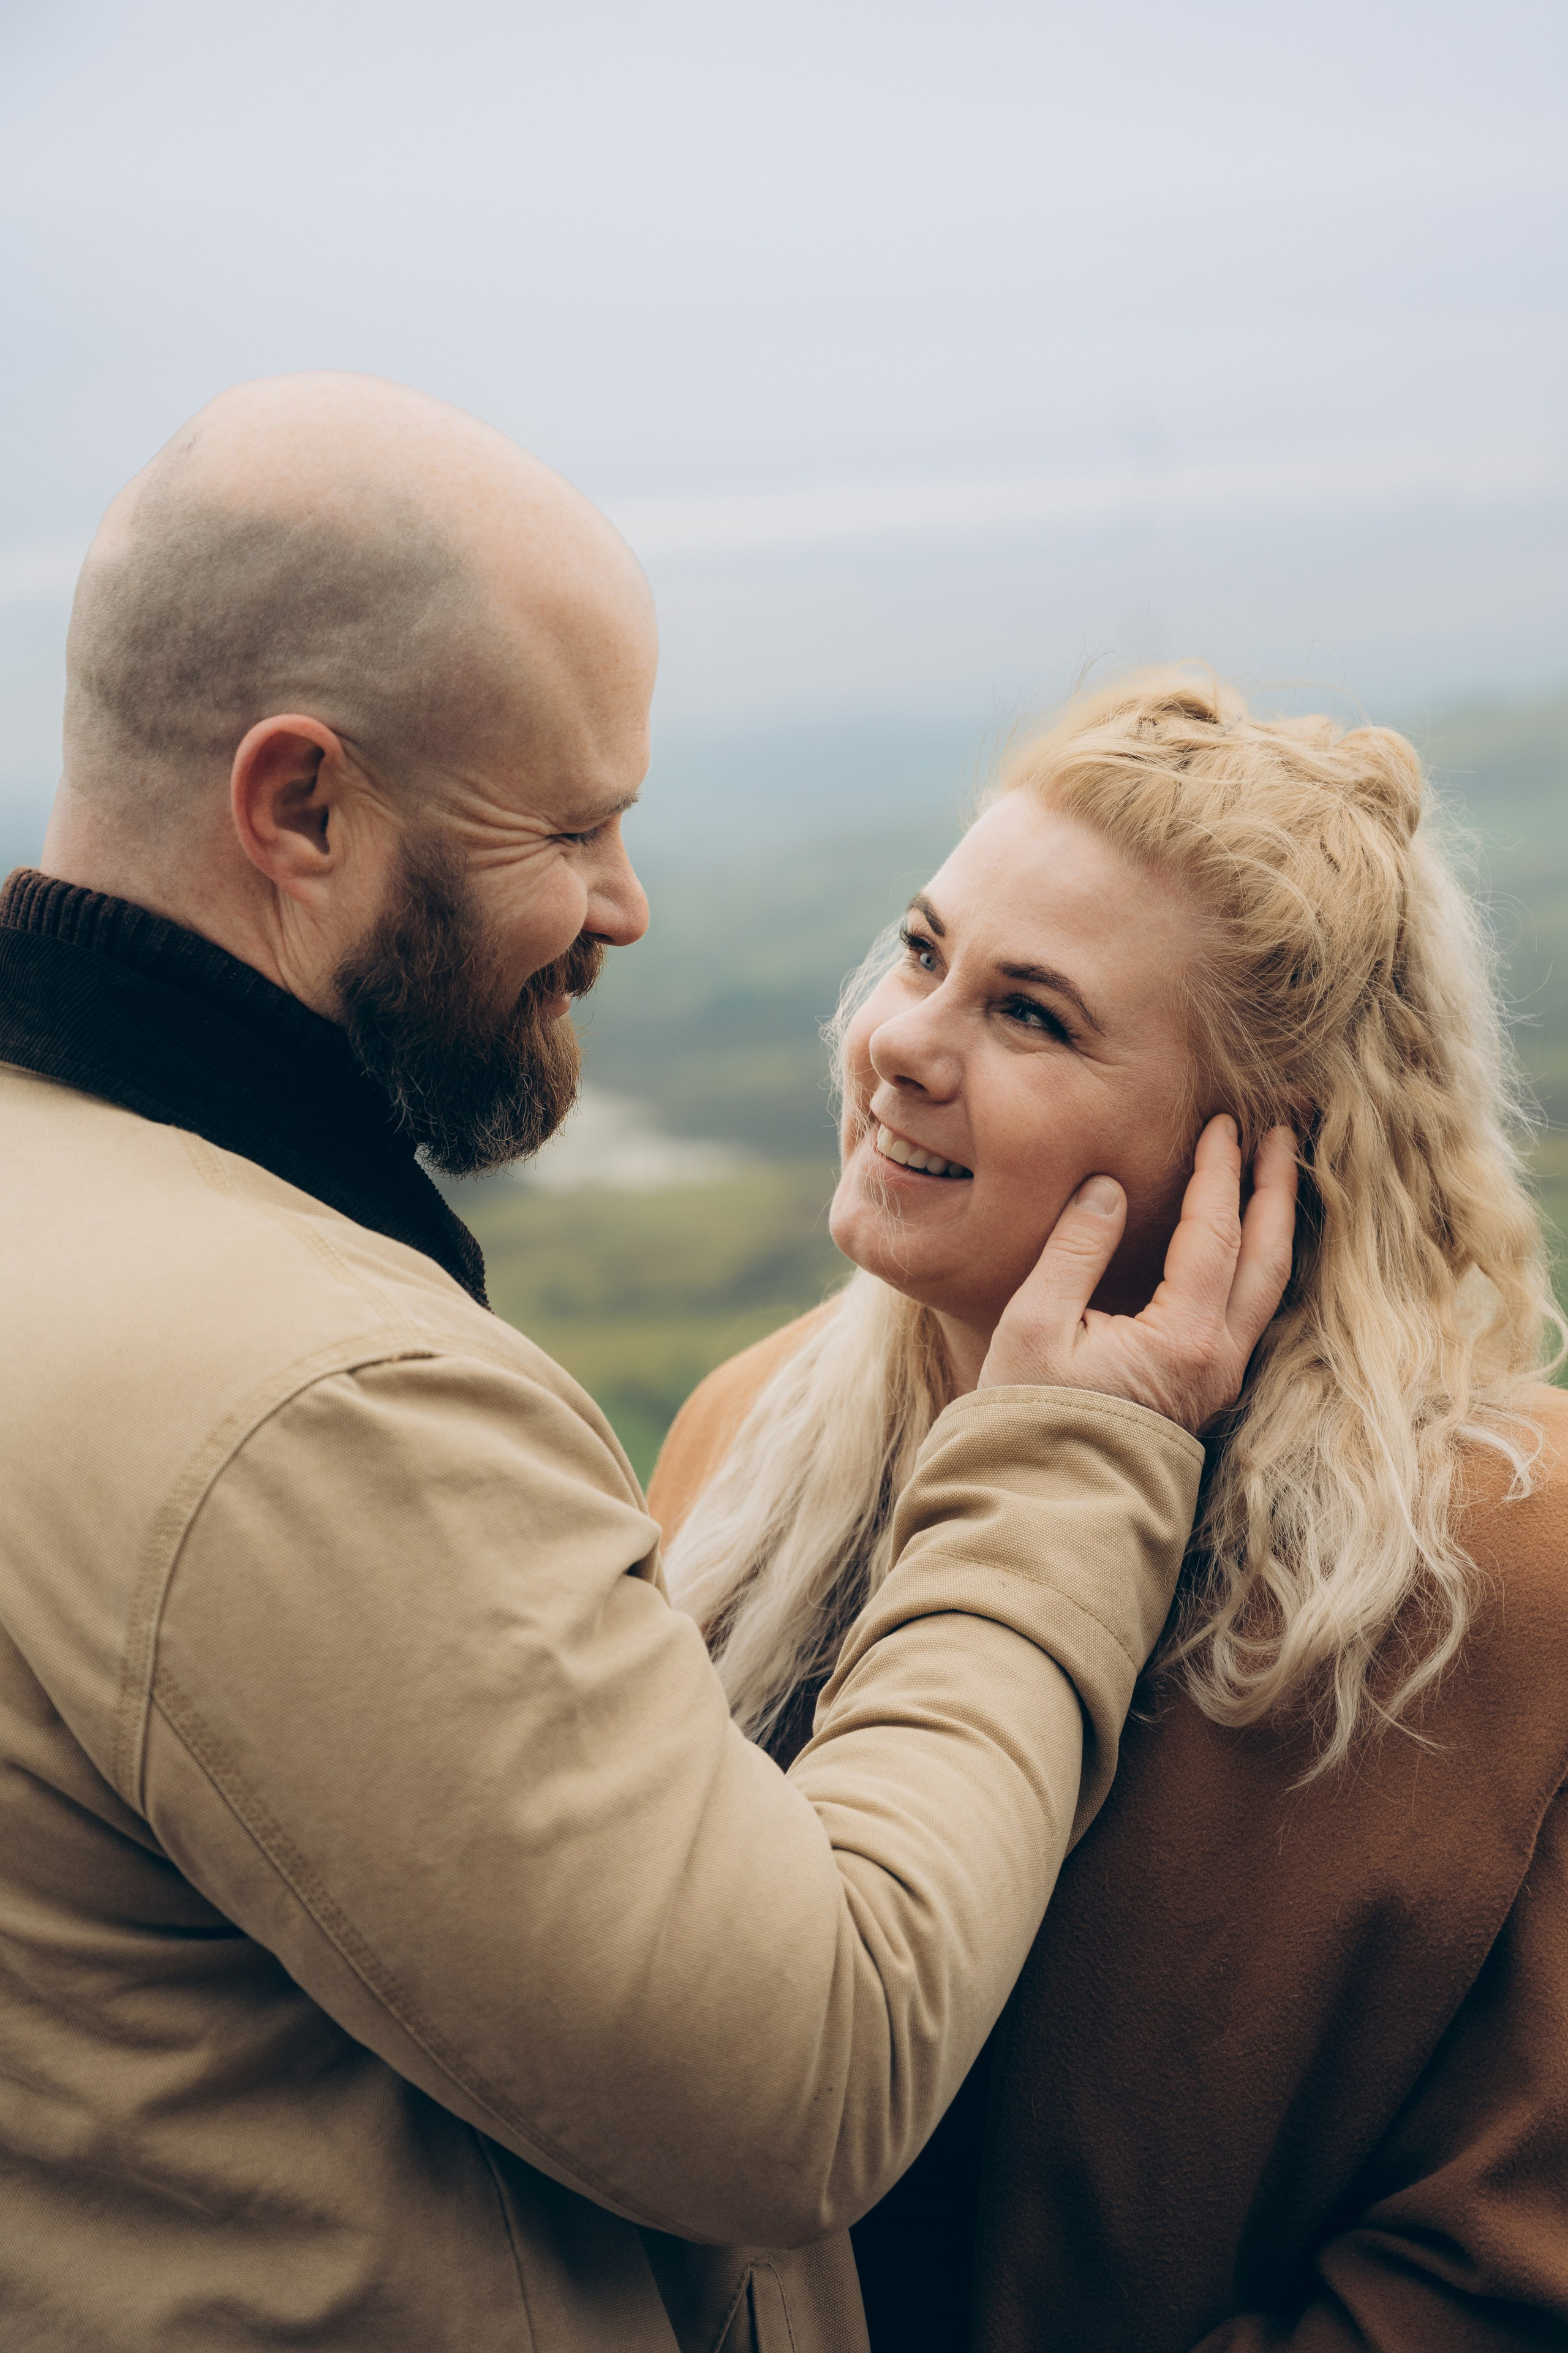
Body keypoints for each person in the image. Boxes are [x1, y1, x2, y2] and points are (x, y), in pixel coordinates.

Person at [0, 379, 1295, 2352]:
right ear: (302, 807)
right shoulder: (304, 1405)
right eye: (573, 824)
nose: (625, 903)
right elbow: (815, 2063)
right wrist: (1066, 1467)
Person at [653, 669, 1568, 2352]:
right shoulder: (742, 1434)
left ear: (1268, 1158)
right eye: (924, 952)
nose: (898, 1044)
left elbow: (1496, 2273)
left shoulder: (1505, 1572)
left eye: (1032, 1015)